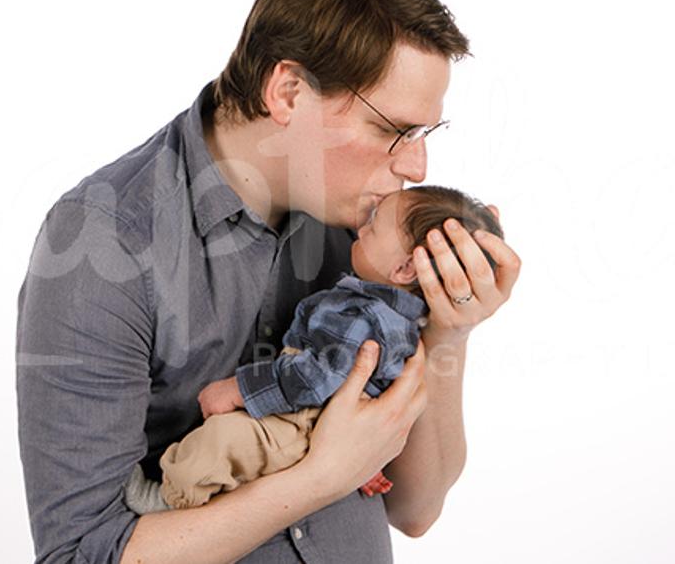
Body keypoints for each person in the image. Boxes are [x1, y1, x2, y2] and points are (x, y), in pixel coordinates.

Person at [16, 0, 521, 564]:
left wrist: (448, 329)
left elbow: (417, 508)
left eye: (422, 135)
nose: (416, 167)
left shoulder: (370, 233)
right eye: (392, 130)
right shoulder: (105, 245)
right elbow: (80, 555)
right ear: (288, 93)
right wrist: (320, 478)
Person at [123, 186, 504, 514]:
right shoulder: (399, 320)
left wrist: (240, 389)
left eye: (374, 224)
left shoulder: (363, 315)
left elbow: (315, 378)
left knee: (223, 440)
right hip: (324, 422)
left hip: (302, 417)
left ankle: (168, 498)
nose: (362, 226)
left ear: (405, 269)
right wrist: (369, 461)